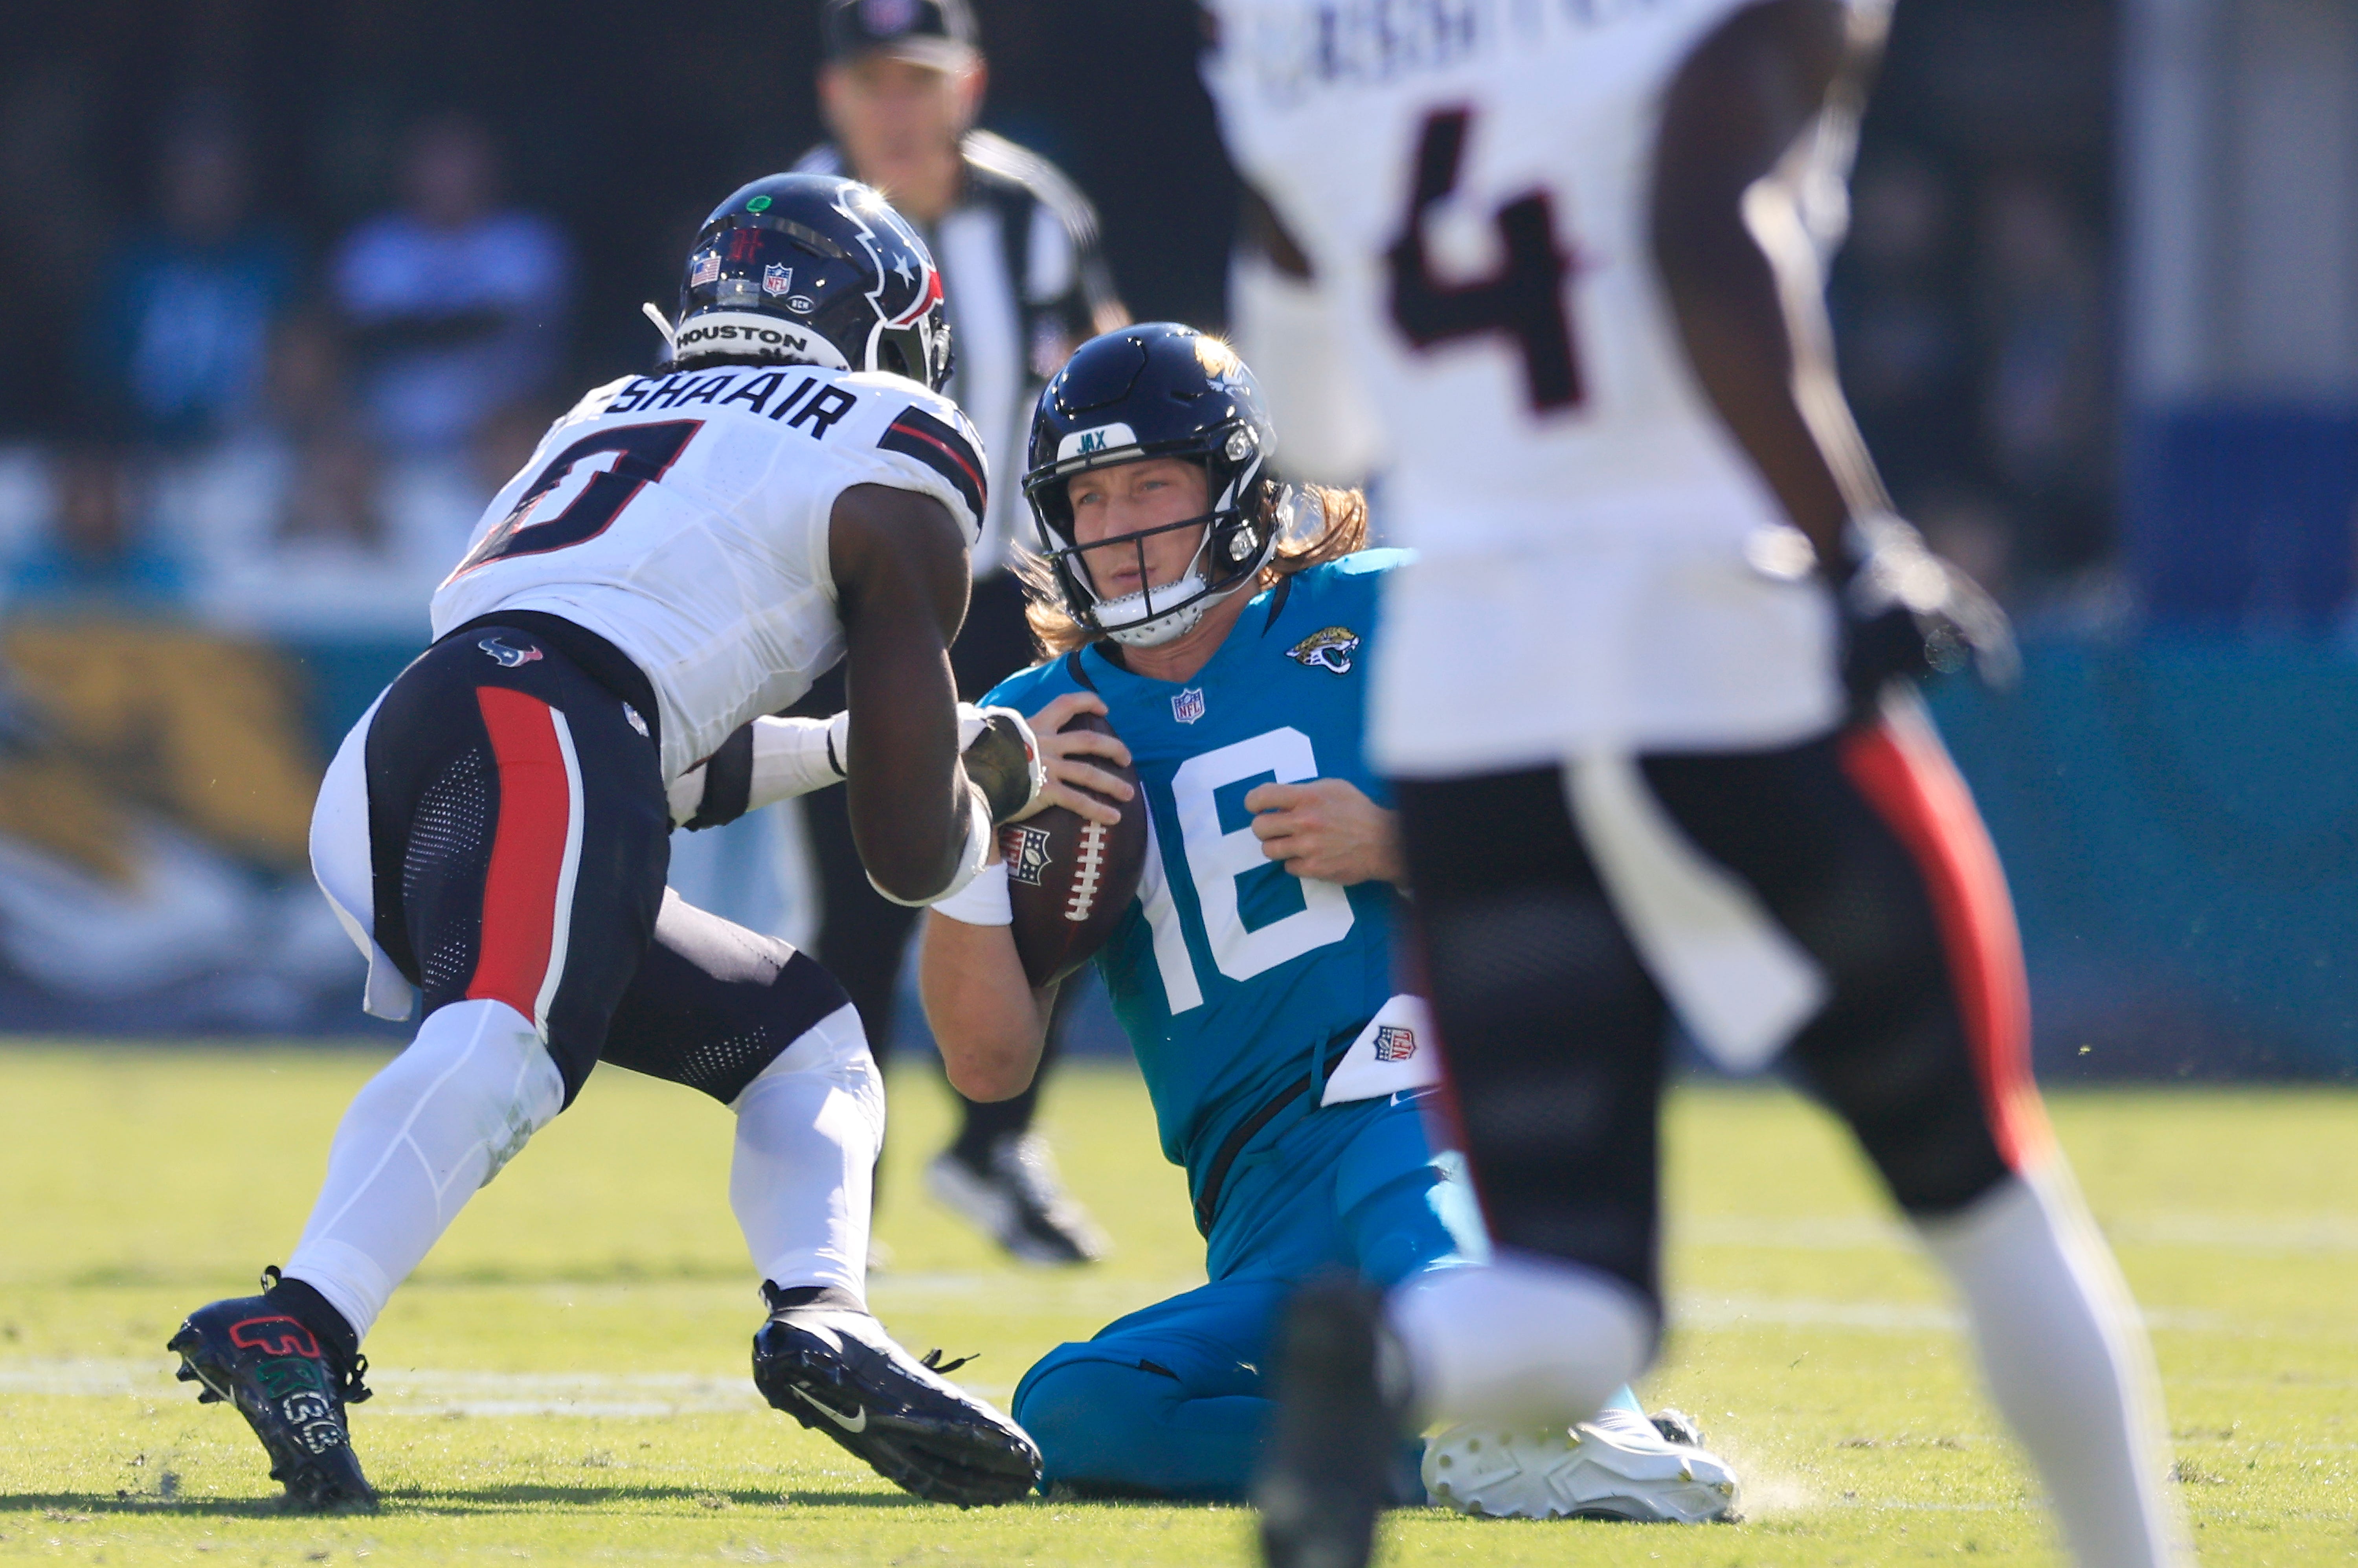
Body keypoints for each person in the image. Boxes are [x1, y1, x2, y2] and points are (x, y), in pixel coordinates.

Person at [1200, 4, 2191, 1568]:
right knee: (1991, 1197)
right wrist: (1857, 545)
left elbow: (1320, 421)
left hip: (1475, 709)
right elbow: (1697, 235)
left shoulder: (1308, 45)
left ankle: (1390, 1356)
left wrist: (1285, 124)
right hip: (1712, 642)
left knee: (1583, 1290)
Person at [165, 172, 1043, 1513]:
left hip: (435, 736)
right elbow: (905, 858)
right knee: (510, 1038)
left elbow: (643, 781)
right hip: (545, 728)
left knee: (804, 1032)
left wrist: (854, 744)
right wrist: (981, 812)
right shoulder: (901, 438)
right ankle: (305, 1318)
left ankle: (828, 1316)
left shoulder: (609, 410)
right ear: (885, 325)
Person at [919, 322, 1735, 1519]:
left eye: (1155, 483)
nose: (1123, 527)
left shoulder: (1399, 610)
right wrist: (973, 825)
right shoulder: (1031, 722)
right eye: (1090, 498)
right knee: (1075, 1409)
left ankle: (1587, 1424)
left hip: (1427, 1100)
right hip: (1263, 1201)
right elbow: (989, 1063)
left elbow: (1630, 834)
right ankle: (1468, 1469)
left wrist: (1403, 843)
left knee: (1419, 1191)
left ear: (1241, 488)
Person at [785, 0, 1128, 1264]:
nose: (896, 106)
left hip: (1015, 594)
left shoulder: (1034, 215)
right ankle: (841, 1195)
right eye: (873, 80)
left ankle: (995, 1146)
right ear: (834, 95)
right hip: (846, 606)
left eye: (918, 79)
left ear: (966, 84)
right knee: (867, 908)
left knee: (1072, 859)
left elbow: (1104, 375)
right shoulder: (787, 225)